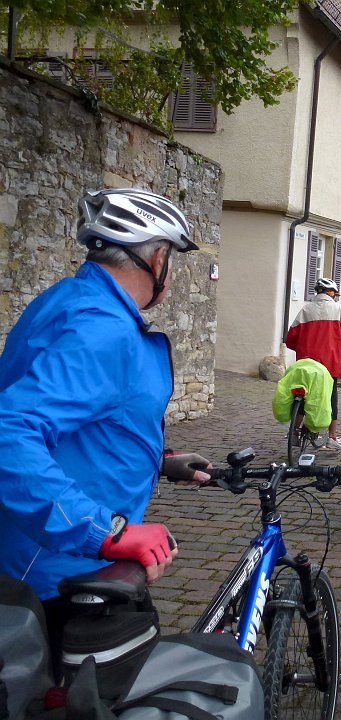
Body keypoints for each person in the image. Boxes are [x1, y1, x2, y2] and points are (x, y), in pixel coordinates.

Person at [0, 188, 211, 652]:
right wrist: (106, 532)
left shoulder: (67, 300)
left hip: (44, 556)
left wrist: (162, 459)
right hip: (58, 573)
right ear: (157, 259)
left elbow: (81, 422)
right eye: (171, 258)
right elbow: (9, 432)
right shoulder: (105, 329)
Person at [285, 277, 341, 450]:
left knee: (304, 395)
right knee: (331, 399)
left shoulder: (305, 310)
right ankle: (332, 437)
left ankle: (294, 430)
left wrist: (302, 349)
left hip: (307, 364)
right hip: (330, 363)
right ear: (330, 293)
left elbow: (291, 339)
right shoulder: (338, 309)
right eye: (335, 293)